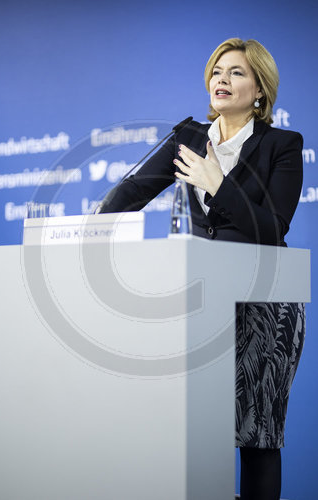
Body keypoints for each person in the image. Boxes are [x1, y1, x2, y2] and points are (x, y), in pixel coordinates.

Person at [98, 38, 305, 500]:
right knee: (193, 434)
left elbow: (272, 229)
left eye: (236, 72)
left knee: (256, 436)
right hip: (200, 300)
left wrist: (218, 183)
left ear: (259, 90)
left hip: (263, 305)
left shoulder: (282, 145)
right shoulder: (189, 139)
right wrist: (87, 228)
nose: (221, 79)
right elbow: (130, 194)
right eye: (217, 71)